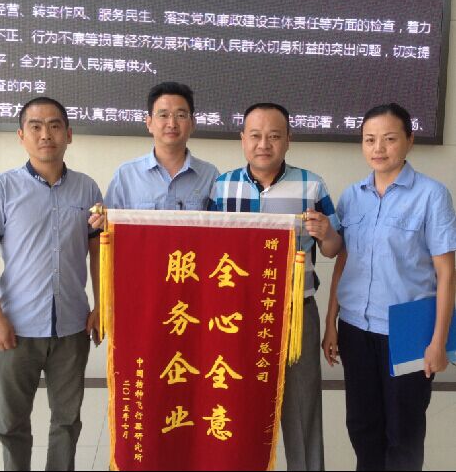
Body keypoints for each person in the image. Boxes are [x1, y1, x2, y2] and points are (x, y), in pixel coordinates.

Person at [0, 97, 103, 471]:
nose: (46, 134)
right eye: (36, 126)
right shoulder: (3, 187)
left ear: (69, 134)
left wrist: (101, 307)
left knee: (67, 421)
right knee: (12, 422)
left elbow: (98, 254)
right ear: (21, 136)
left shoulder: (88, 189)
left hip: (72, 327)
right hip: (16, 328)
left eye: (55, 125)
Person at [322, 103, 456, 471]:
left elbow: (447, 273)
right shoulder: (352, 195)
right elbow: (343, 261)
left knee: (404, 432)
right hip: (355, 327)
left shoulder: (432, 195)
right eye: (369, 140)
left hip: (409, 328)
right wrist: (331, 322)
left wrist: (439, 342)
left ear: (409, 141)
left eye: (389, 139)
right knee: (362, 427)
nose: (378, 148)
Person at [209, 103, 343, 471]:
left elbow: (334, 248)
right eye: (255, 135)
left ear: (288, 140)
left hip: (296, 311)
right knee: (237, 401)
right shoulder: (222, 186)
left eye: (273, 136)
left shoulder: (311, 185)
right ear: (242, 139)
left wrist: (326, 233)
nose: (263, 144)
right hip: (236, 314)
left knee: (302, 406)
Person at [89, 82, 219, 229]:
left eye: (181, 115)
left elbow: (220, 230)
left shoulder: (210, 176)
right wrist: (101, 220)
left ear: (193, 123)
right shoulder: (126, 175)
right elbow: (110, 227)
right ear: (149, 123)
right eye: (163, 115)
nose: (172, 123)